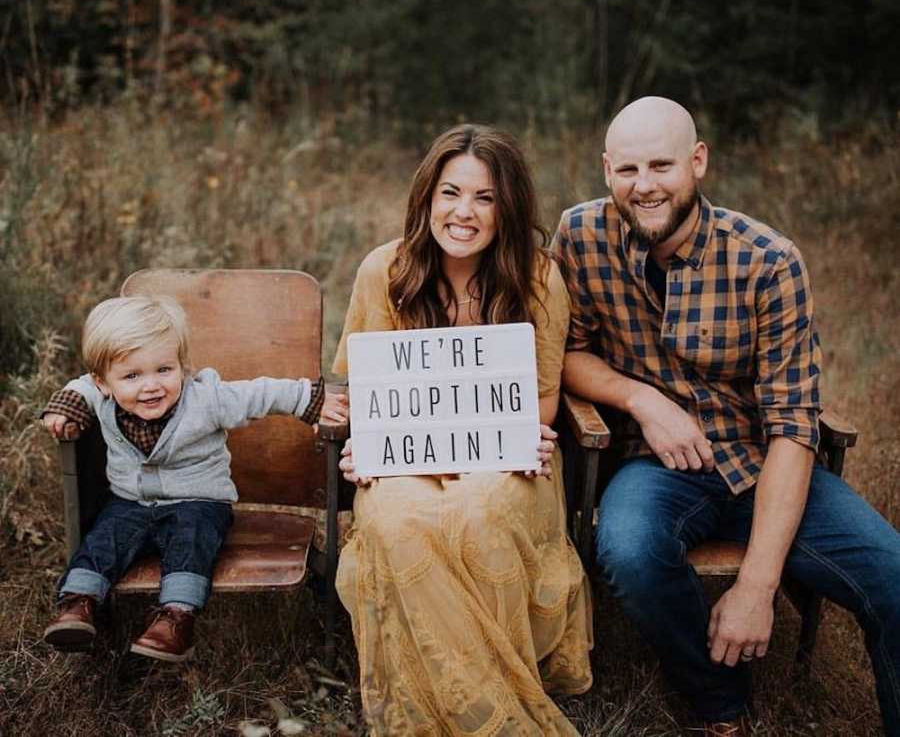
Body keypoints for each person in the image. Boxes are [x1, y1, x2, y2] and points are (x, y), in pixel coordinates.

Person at [551, 96, 900, 736]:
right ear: (606, 169)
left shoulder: (768, 261)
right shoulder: (579, 236)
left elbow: (794, 427)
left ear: (698, 161)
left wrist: (754, 590)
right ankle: (719, 700)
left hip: (764, 464)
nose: (645, 186)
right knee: (627, 548)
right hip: (656, 466)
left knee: (895, 579)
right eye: (628, 170)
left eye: (662, 165)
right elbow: (566, 352)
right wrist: (642, 399)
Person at [332, 124, 593, 735]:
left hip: (505, 458)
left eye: (485, 198)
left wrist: (525, 433)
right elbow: (359, 390)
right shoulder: (385, 270)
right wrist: (362, 446)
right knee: (397, 519)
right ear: (427, 198)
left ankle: (478, 703)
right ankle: (478, 713)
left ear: (508, 208)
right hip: (404, 461)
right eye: (451, 193)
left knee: (479, 511)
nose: (464, 213)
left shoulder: (539, 278)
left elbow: (544, 400)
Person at [40, 295, 348, 662]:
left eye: (164, 370)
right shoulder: (99, 394)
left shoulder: (206, 398)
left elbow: (258, 394)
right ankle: (79, 603)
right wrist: (65, 406)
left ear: (182, 366)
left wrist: (311, 399)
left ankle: (176, 618)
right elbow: (81, 387)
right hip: (130, 503)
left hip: (199, 502)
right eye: (133, 376)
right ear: (105, 383)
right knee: (104, 539)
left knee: (191, 541)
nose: (151, 385)